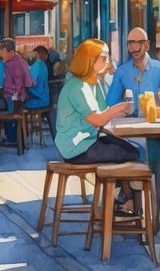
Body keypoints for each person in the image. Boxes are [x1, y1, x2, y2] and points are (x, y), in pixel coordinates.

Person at [55, 38, 140, 210]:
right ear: (90, 60)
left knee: (128, 150)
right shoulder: (78, 87)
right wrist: (120, 107)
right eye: (104, 56)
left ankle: (117, 201)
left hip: (87, 142)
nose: (108, 60)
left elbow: (104, 113)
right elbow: (98, 119)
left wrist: (118, 110)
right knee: (130, 153)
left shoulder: (93, 82)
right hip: (77, 148)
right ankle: (122, 202)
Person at [105, 27, 160, 111]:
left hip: (154, 122)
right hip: (128, 122)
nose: (135, 48)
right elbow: (110, 104)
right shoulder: (121, 73)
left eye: (140, 43)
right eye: (131, 43)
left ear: (147, 45)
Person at [0, 38, 33, 144]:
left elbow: (19, 86)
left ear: (11, 52)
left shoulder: (16, 63)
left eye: (2, 50)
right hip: (11, 98)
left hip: (14, 100)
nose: (0, 53)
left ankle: (5, 138)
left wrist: (14, 97)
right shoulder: (12, 62)